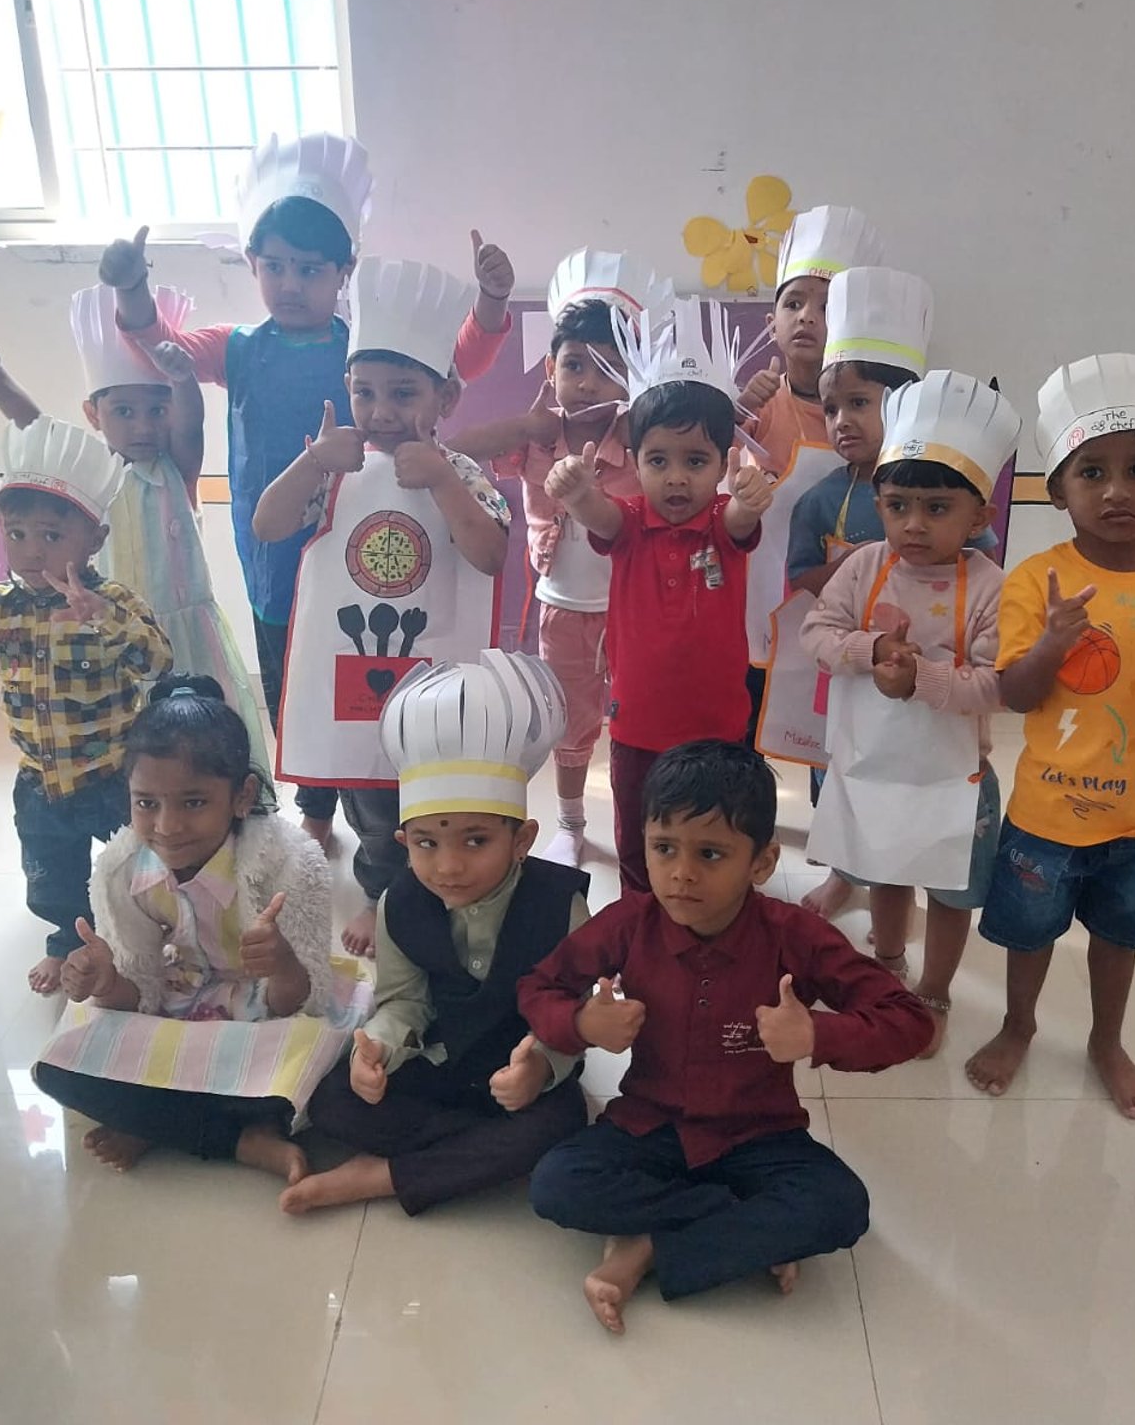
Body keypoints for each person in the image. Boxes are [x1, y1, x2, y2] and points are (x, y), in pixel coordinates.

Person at [98, 133, 516, 848]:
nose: (290, 283)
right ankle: (316, 810)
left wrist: (491, 300)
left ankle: (371, 823)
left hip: (402, 586)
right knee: (299, 687)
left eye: (309, 269)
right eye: (275, 266)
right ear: (254, 265)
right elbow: (162, 350)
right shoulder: (240, 348)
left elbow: (460, 357)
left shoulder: (367, 342)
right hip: (285, 562)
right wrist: (132, 289)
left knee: (380, 711)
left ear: (341, 272)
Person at [519, 742, 933, 1334]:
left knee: (842, 1206)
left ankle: (647, 1249)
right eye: (664, 849)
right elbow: (539, 987)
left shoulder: (795, 935)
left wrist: (819, 1032)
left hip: (759, 1132)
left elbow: (909, 1021)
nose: (681, 873)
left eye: (710, 853)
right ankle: (742, 1230)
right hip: (649, 1124)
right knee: (556, 1184)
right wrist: (583, 1024)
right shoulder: (630, 922)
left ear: (761, 863)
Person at [968, 354, 1135, 1118]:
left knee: (1119, 937)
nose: (1117, 489)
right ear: (1059, 490)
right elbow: (1017, 695)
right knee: (1030, 937)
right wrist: (1054, 640)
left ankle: (1105, 1041)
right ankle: (1019, 1024)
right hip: (1046, 816)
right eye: (1092, 472)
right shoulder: (1035, 580)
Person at [251, 258, 512, 957]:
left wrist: (442, 484)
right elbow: (267, 525)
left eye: (404, 392)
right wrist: (313, 463)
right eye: (366, 392)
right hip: (357, 675)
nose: (382, 411)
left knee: (436, 795)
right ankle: (384, 892)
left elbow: (490, 554)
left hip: (436, 676)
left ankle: (442, 890)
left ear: (446, 396)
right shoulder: (337, 472)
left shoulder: (464, 474)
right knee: (372, 804)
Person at [286, 649, 589, 1214]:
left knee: (560, 1120)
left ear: (521, 839)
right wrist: (378, 1048)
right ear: (405, 843)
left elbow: (574, 1016)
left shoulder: (559, 906)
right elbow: (405, 1002)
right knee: (333, 1101)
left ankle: (385, 1175)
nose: (448, 866)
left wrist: (542, 1065)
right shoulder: (399, 903)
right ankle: (452, 1158)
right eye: (427, 842)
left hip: (517, 1074)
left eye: (476, 841)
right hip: (442, 1064)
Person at [34, 675, 361, 1190]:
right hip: (180, 999)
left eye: (192, 802)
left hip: (265, 1013)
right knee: (55, 1070)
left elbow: (303, 1001)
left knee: (327, 1080)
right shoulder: (121, 870)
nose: (167, 826)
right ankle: (237, 1137)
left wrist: (281, 963)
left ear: (241, 796)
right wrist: (102, 981)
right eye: (146, 803)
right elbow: (138, 991)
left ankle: (158, 1123)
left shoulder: (292, 863)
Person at [0, 285, 274, 802]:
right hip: (102, 632)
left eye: (158, 409)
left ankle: (217, 810)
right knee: (122, 743)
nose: (144, 425)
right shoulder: (84, 481)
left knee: (199, 740)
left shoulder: (175, 468)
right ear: (93, 412)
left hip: (179, 632)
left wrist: (182, 378)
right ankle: (141, 813)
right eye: (124, 411)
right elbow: (34, 425)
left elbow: (191, 421)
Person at [801, 372, 1016, 1056]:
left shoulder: (989, 587)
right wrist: (868, 650)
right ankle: (888, 970)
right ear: (878, 504)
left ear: (978, 517)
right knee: (886, 870)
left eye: (936, 508)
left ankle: (935, 989)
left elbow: (994, 686)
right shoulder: (865, 567)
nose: (913, 525)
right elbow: (815, 633)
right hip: (875, 766)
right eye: (898, 506)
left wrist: (918, 676)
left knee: (951, 888)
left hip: (958, 778)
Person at [445, 249, 674, 868]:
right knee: (571, 724)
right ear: (552, 368)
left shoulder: (643, 441)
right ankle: (571, 822)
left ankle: (639, 820)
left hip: (632, 614)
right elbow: (456, 449)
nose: (590, 382)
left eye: (609, 367)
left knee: (633, 723)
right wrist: (529, 420)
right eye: (575, 365)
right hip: (561, 614)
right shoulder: (536, 442)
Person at [0, 416, 173, 994]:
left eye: (50, 535)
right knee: (52, 875)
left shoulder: (112, 600)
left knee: (138, 867)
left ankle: (150, 933)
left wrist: (106, 620)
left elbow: (157, 663)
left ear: (93, 540)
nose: (32, 550)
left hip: (112, 773)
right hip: (40, 778)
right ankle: (69, 941)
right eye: (16, 535)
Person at [543, 298, 776, 893]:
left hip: (716, 731)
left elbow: (744, 521)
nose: (676, 477)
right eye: (658, 460)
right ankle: (637, 925)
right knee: (638, 842)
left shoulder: (724, 520)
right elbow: (595, 512)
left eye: (696, 461)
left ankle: (711, 920)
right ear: (637, 460)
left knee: (711, 839)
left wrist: (749, 495)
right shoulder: (629, 521)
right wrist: (573, 490)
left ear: (722, 463)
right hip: (637, 729)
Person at [776, 265, 931, 918]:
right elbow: (801, 568)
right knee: (836, 771)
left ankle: (904, 873)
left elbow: (976, 566)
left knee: (911, 773)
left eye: (859, 404)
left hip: (922, 662)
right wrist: (861, 585)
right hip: (844, 666)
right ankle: (843, 870)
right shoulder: (819, 496)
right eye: (832, 406)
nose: (840, 420)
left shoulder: (933, 492)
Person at [735, 206, 887, 729]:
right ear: (771, 321)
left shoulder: (879, 417)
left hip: (851, 603)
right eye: (793, 303)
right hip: (764, 598)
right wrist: (736, 411)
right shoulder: (758, 405)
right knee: (754, 722)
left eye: (826, 306)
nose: (806, 316)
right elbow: (716, 467)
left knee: (836, 724)